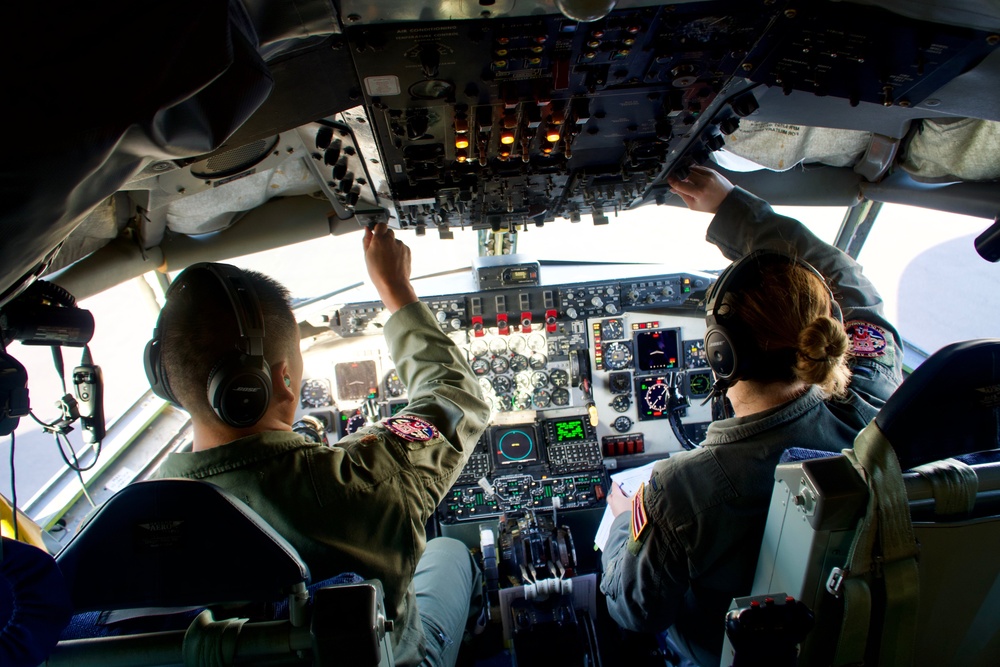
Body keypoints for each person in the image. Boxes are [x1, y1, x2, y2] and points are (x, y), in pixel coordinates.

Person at [599, 166, 903, 667]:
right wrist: (732, 206)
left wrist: (619, 520)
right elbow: (855, 287)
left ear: (721, 354)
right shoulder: (871, 396)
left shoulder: (681, 491)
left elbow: (635, 612)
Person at [150, 223, 491, 667]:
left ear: (167, 382)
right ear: (284, 381)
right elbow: (454, 398)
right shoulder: (366, 478)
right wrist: (395, 287)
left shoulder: (132, 526)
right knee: (449, 552)